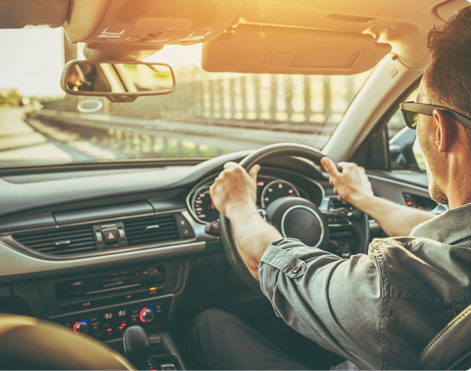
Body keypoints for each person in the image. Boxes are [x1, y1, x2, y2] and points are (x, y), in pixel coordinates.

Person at [189, 6, 471, 371]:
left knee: (208, 324)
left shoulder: (397, 289)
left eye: (413, 113)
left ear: (441, 128)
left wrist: (240, 205)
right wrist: (363, 199)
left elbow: (268, 264)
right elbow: (448, 238)